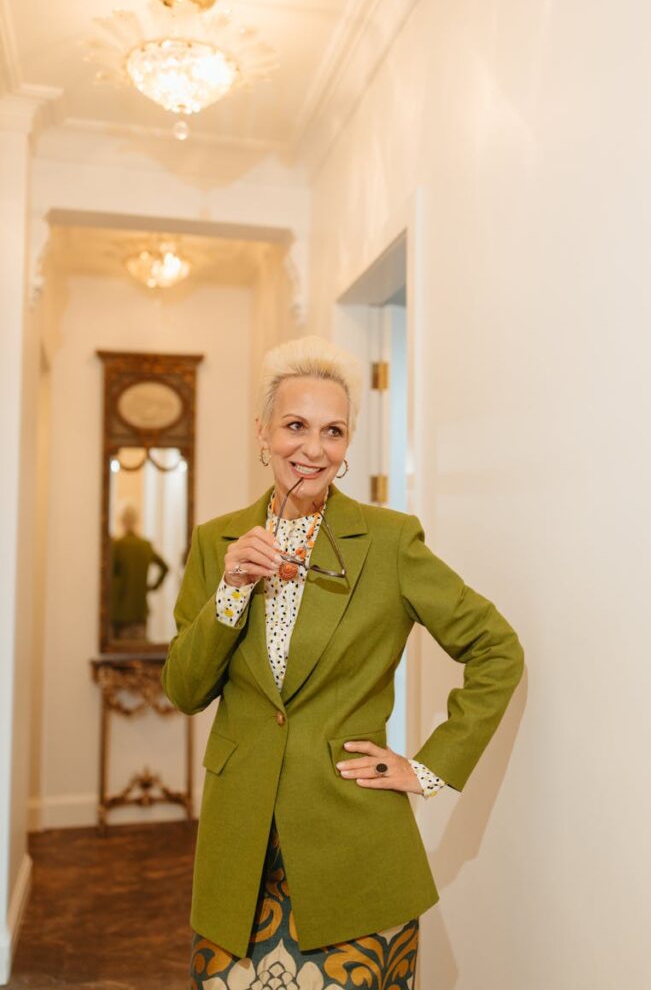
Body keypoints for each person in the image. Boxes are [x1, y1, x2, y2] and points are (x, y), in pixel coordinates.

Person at [162, 336, 524, 990]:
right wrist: (230, 591)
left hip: (351, 842)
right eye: (295, 426)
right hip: (238, 844)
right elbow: (185, 691)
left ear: (348, 443)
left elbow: (495, 648)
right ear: (262, 434)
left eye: (333, 431)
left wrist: (429, 768)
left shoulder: (389, 542)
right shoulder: (214, 541)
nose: (313, 448)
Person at [110, 503, 169, 641]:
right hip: (140, 610)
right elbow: (165, 568)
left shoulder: (116, 545)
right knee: (139, 646)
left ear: (121, 520)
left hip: (119, 611)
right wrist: (152, 587)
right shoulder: (145, 545)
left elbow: (109, 575)